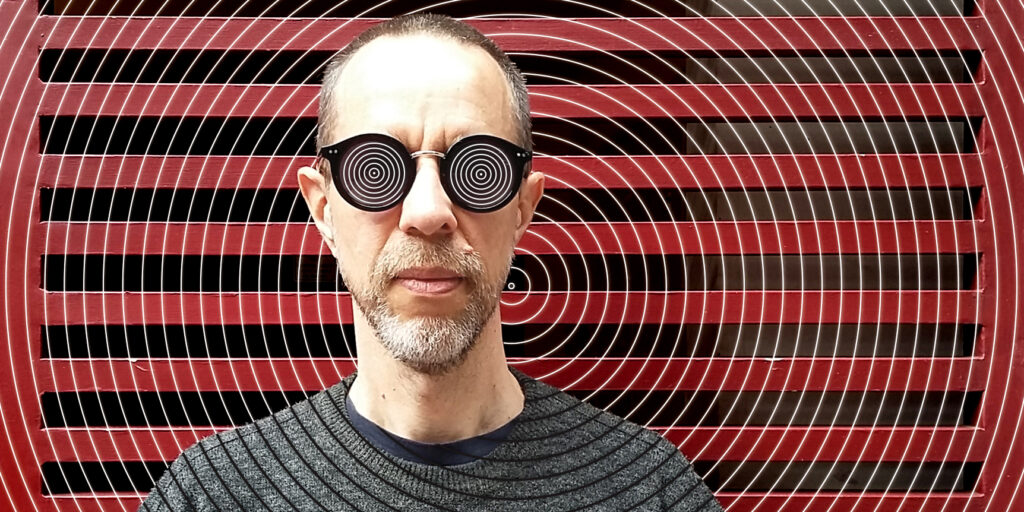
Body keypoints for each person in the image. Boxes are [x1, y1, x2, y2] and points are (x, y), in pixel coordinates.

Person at [142, 13, 722, 511]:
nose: (427, 212)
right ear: (323, 208)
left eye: (477, 166)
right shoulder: (215, 494)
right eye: (374, 167)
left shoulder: (650, 492)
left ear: (523, 207)